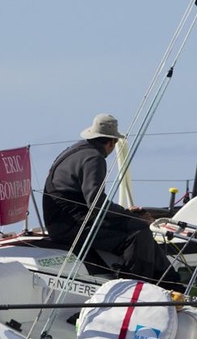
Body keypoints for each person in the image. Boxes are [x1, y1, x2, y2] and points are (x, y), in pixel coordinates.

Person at [43, 113, 173, 282]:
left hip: (62, 221)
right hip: (70, 226)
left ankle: (172, 282)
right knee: (139, 231)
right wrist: (128, 215)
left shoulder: (75, 150)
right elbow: (96, 204)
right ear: (112, 142)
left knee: (137, 225)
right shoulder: (94, 158)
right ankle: (135, 286)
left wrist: (125, 213)